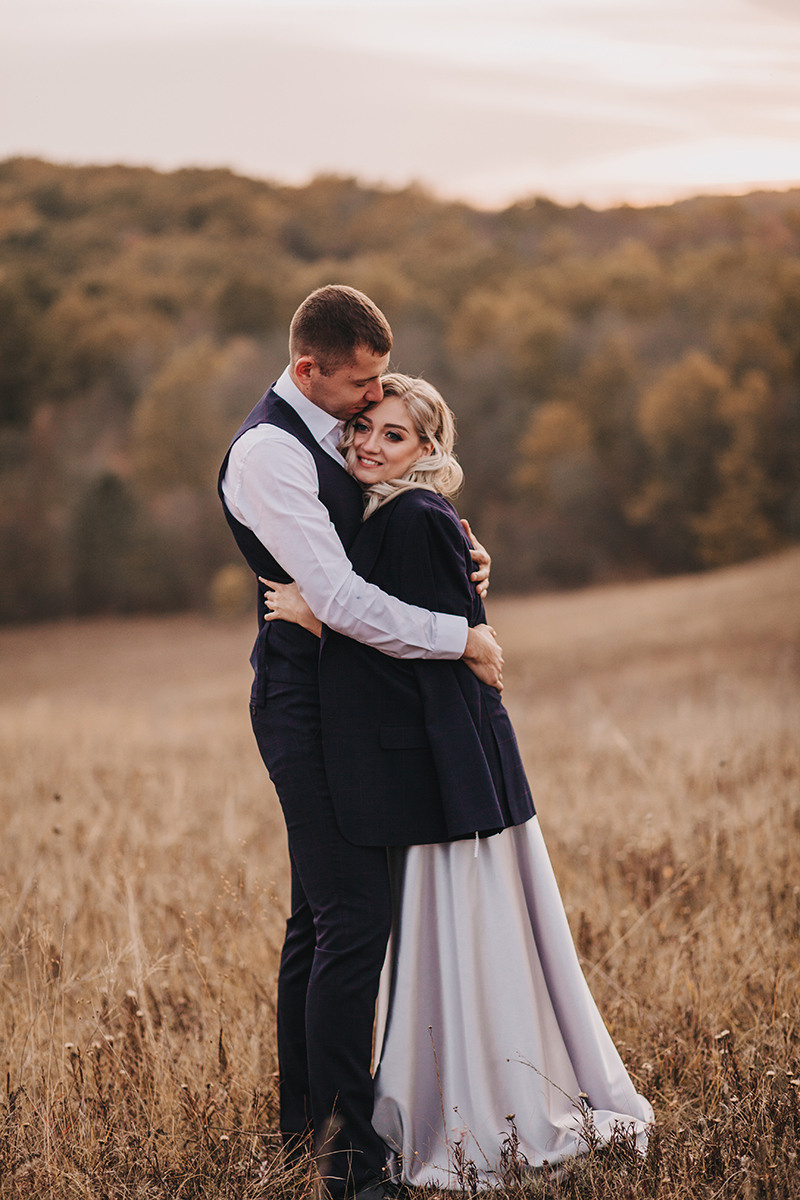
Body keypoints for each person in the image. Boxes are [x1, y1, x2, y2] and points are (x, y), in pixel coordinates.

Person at [262, 374, 654, 1189]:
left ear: (430, 451)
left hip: (453, 781)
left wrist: (321, 622)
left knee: (455, 941)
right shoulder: (390, 513)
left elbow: (419, 665)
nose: (369, 442)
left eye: (393, 435)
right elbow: (402, 619)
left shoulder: (412, 515)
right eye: (363, 425)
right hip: (431, 777)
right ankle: (326, 1126)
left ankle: (467, 1112)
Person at [217, 286, 504, 1200]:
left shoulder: (333, 442)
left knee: (319, 920)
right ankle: (350, 1163)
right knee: (352, 923)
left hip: (349, 694)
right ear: (310, 371)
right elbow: (336, 598)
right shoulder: (270, 450)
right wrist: (460, 636)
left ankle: (305, 1127)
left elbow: (373, 546)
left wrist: (453, 548)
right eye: (363, 384)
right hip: (305, 700)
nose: (372, 402)